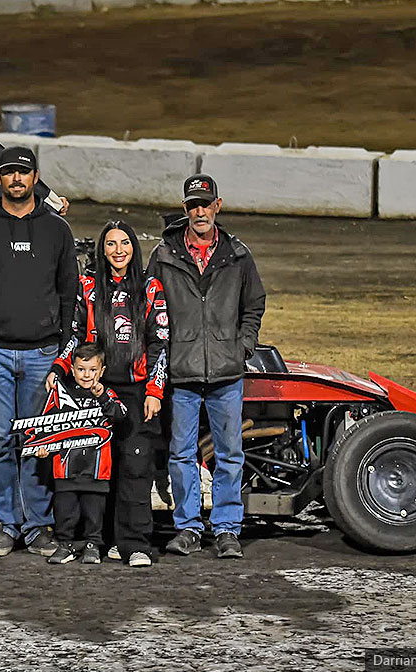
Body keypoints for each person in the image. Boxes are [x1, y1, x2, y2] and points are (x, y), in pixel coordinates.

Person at [0, 146, 79, 558]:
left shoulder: (57, 230)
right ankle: (3, 524)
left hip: (44, 355)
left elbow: (69, 294)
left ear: (35, 177)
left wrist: (63, 353)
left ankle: (39, 527)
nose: (16, 180)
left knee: (39, 442)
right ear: (0, 180)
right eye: (9, 173)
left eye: (23, 173)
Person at [146, 174, 267, 560]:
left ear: (218, 205)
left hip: (226, 372)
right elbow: (149, 309)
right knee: (181, 454)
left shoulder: (238, 255)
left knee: (229, 454)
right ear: (185, 210)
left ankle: (228, 529)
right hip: (180, 373)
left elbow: (254, 305)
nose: (199, 211)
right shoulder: (163, 256)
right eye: (192, 205)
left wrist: (242, 346)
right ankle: (188, 528)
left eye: (205, 203)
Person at [46, 220, 168, 568]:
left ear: (134, 247)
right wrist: (60, 368)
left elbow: (160, 343)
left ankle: (135, 544)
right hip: (92, 390)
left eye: (125, 243)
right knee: (96, 469)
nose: (118, 250)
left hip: (136, 392)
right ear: (101, 249)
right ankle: (97, 541)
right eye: (111, 244)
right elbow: (72, 335)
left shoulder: (151, 287)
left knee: (135, 465)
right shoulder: (87, 287)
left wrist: (155, 391)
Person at [33, 343, 127, 565]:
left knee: (94, 512)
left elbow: (120, 415)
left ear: (102, 371)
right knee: (65, 511)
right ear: (72, 370)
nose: (87, 375)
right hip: (65, 468)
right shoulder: (60, 395)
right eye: (81, 369)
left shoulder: (108, 393)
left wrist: (102, 397)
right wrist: (42, 446)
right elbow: (45, 425)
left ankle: (93, 544)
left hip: (96, 469)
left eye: (93, 370)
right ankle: (65, 544)